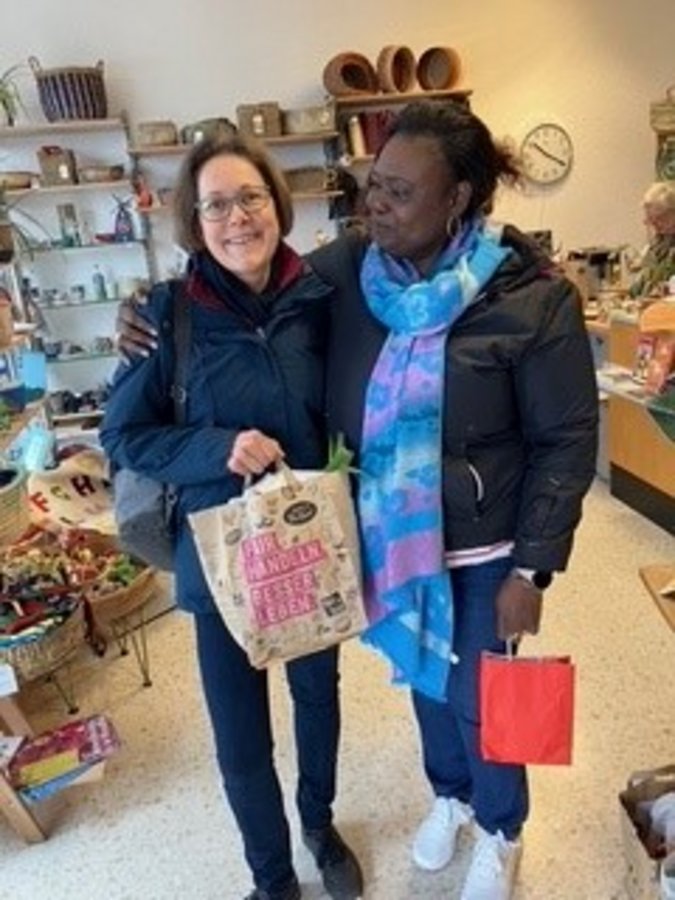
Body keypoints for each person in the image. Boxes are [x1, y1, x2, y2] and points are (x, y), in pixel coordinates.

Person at [116, 101, 599, 900]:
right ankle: (449, 797)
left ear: (458, 198)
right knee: (425, 686)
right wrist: (140, 313)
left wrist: (532, 570)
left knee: (484, 701)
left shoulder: (530, 298)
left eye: (400, 192)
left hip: (485, 546)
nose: (376, 204)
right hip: (390, 542)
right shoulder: (349, 272)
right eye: (374, 185)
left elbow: (566, 441)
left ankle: (501, 829)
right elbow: (241, 288)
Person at [100, 134, 363, 900]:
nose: (236, 217)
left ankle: (318, 824)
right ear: (194, 221)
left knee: (317, 701)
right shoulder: (167, 314)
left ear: (277, 204)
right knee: (240, 737)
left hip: (308, 544)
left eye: (250, 197)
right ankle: (271, 878)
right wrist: (218, 448)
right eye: (215, 204)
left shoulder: (322, 298)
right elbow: (124, 434)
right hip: (218, 560)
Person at [628, 180, 675, 298]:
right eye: (650, 219)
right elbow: (640, 285)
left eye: (660, 218)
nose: (655, 225)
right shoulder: (658, 244)